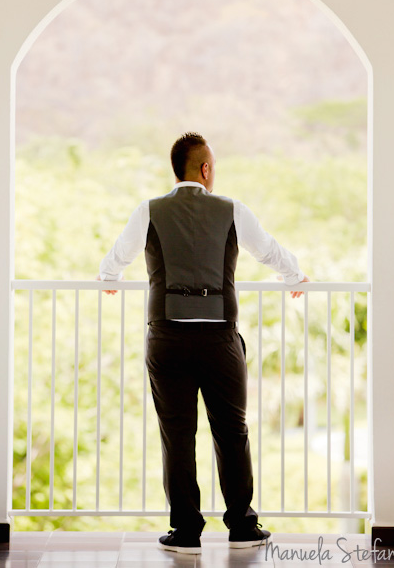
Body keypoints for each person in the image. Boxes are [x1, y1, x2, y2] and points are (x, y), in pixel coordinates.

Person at [98, 133, 308, 554]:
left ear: (178, 170)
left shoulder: (149, 211)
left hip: (167, 337)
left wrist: (108, 279)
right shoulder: (232, 210)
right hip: (219, 340)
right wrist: (294, 276)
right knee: (232, 431)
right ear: (205, 169)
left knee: (177, 434)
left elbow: (117, 256)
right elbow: (267, 250)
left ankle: (187, 532)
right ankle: (242, 526)